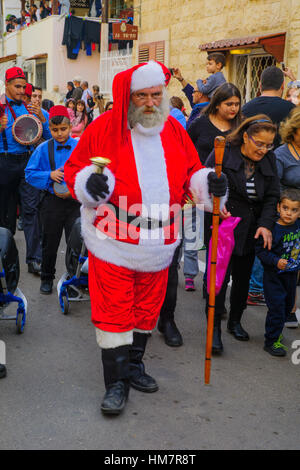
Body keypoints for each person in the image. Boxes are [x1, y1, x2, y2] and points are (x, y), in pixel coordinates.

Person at [64, 60, 227, 415]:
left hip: (160, 242)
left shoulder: (173, 129)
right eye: (143, 96)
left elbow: (191, 172)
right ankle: (116, 384)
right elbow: (75, 169)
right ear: (129, 97)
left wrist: (208, 183)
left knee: (146, 311)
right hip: (114, 243)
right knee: (114, 315)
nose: (152, 102)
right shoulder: (105, 126)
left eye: (157, 94)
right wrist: (88, 185)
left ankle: (135, 366)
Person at [205, 115, 279, 354]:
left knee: (243, 278)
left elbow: (271, 196)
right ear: (246, 136)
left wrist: (266, 224)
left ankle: (235, 320)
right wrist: (216, 203)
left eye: (269, 145)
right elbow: (204, 182)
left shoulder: (269, 160)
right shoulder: (223, 152)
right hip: (224, 224)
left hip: (251, 227)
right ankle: (214, 327)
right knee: (218, 279)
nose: (263, 150)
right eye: (259, 143)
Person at [243, 66, 296, 306]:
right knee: (271, 236)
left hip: (252, 178)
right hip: (280, 189)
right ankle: (264, 285)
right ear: (282, 86)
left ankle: (259, 286)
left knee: (263, 236)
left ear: (260, 85)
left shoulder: (247, 107)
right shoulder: (291, 110)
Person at [185, 83, 241, 292]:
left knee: (217, 241)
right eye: (229, 104)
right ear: (217, 104)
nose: (233, 108)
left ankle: (213, 286)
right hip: (198, 189)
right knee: (192, 232)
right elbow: (186, 150)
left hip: (226, 193)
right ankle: (190, 273)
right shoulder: (200, 124)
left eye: (236, 104)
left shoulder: (240, 127)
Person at [0, 67, 51, 274]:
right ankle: (5, 257)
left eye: (23, 86)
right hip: (4, 163)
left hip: (28, 163)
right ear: (7, 85)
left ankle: (34, 259)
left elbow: (51, 135)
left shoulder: (32, 108)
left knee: (31, 211)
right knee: (4, 214)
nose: (22, 90)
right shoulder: (0, 108)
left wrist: (43, 119)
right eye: (17, 86)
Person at [25, 105, 80, 294]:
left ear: (70, 126)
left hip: (74, 202)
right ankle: (47, 277)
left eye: (63, 129)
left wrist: (74, 189)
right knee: (50, 242)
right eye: (55, 130)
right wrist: (49, 175)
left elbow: (88, 172)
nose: (59, 134)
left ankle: (73, 280)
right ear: (50, 128)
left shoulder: (79, 147)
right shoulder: (42, 149)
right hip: (51, 203)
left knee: (75, 243)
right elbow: (29, 173)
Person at [256, 188, 300, 356]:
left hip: (291, 276)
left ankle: (276, 332)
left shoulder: (297, 225)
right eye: (285, 208)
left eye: (294, 210)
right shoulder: (272, 229)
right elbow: (260, 251)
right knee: (277, 308)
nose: (289, 213)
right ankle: (271, 341)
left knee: (288, 306)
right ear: (278, 207)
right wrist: (275, 261)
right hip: (274, 277)